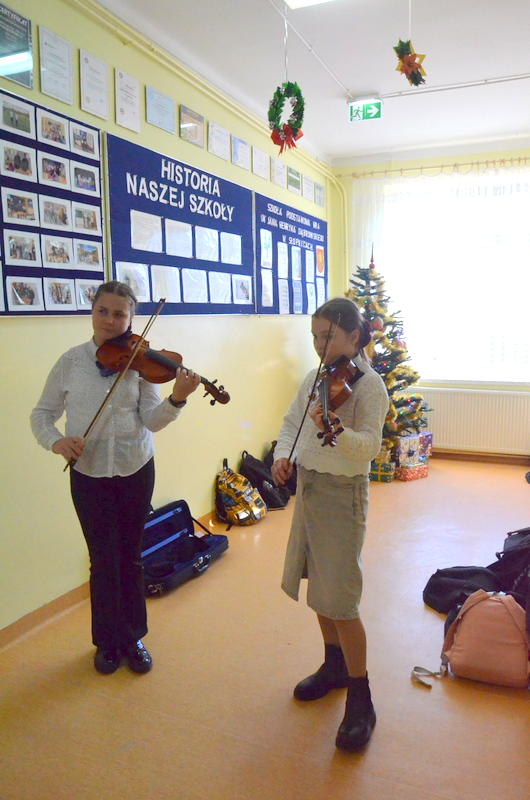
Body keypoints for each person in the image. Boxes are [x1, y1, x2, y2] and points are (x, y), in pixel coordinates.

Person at [30, 281, 200, 675]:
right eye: (103, 311)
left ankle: (133, 637)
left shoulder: (140, 363)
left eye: (119, 314)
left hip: (135, 468)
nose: (110, 320)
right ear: (92, 312)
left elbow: (151, 421)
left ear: (131, 318)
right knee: (102, 560)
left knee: (130, 556)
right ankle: (107, 643)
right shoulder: (70, 362)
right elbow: (42, 414)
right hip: (88, 473)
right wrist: (56, 442)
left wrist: (177, 397)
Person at [271, 297, 388, 752]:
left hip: (343, 495)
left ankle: (361, 697)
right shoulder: (315, 378)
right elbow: (291, 424)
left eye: (329, 337)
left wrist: (337, 430)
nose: (320, 345)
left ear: (354, 337)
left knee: (341, 599)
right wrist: (283, 456)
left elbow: (369, 447)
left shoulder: (370, 386)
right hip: (311, 490)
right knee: (319, 588)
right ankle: (334, 666)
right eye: (315, 337)